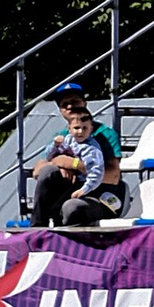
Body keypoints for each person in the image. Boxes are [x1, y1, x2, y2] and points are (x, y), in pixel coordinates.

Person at [31, 81, 125, 229]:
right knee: (48, 172)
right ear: (61, 111)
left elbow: (113, 176)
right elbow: (38, 170)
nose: (70, 106)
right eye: (64, 104)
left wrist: (73, 164)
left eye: (75, 101)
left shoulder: (104, 134)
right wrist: (58, 163)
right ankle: (37, 230)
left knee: (71, 208)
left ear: (84, 103)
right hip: (69, 194)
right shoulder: (61, 137)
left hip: (99, 197)